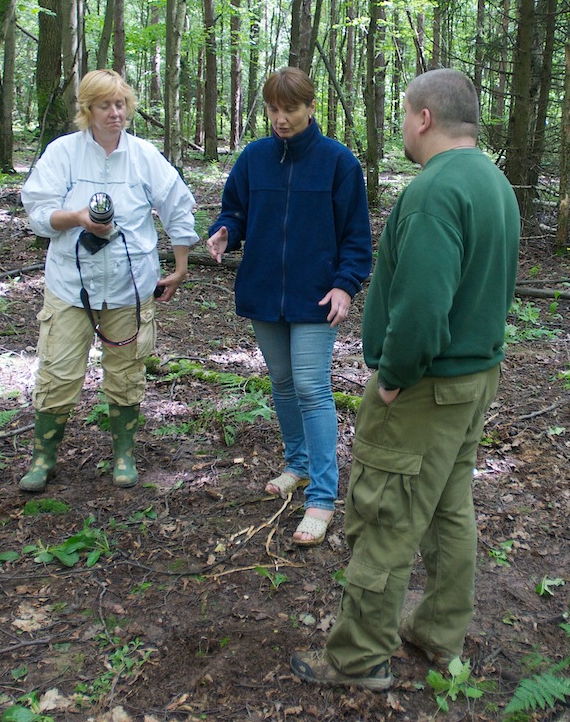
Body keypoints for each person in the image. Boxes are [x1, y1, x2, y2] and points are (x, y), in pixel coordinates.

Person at [290, 68, 520, 689]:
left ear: (424, 118)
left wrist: (393, 377)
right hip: (474, 381)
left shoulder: (435, 192)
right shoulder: (494, 182)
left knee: (386, 517)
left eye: (402, 113)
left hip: (426, 389)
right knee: (448, 509)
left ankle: (358, 657)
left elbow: (422, 308)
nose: (400, 124)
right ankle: (440, 633)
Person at [206, 67, 372, 547]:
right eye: (273, 109)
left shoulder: (338, 162)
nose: (281, 119)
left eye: (291, 109)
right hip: (263, 291)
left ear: (311, 107)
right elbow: (235, 210)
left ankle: (322, 496)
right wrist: (226, 231)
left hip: (317, 296)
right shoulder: (254, 158)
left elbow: (357, 237)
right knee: (281, 383)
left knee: (311, 387)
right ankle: (297, 465)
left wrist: (345, 286)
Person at [19, 69, 198, 492]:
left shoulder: (144, 156)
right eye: (105, 105)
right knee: (58, 373)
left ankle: (124, 454)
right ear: (87, 109)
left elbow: (177, 206)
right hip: (70, 286)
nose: (115, 113)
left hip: (129, 288)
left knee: (127, 372)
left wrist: (181, 265)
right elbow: (38, 213)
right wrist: (78, 218)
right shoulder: (63, 153)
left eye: (120, 104)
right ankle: (43, 459)